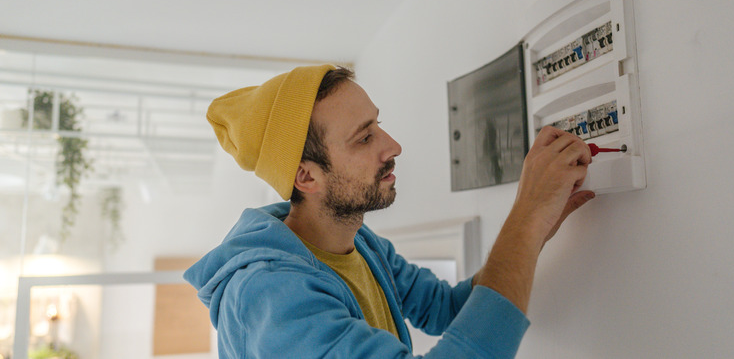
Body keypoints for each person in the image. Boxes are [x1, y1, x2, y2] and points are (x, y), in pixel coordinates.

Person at [184, 64, 595, 358]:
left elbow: (445, 309)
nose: (393, 145)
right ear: (305, 177)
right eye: (364, 138)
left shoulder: (360, 243)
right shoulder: (269, 296)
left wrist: (533, 230)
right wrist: (524, 221)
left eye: (377, 124)